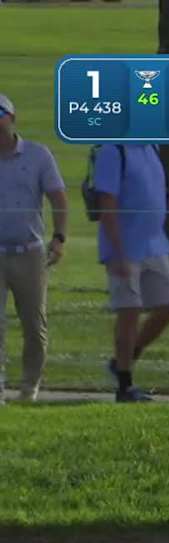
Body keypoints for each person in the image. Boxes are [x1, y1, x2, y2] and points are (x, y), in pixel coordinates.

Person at [94, 143, 169, 402]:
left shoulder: (151, 148)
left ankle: (125, 357)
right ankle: (124, 386)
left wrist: (168, 201)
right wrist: (117, 251)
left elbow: (149, 187)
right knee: (129, 311)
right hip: (123, 247)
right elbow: (107, 202)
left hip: (154, 244)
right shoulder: (113, 151)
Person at [0, 93, 67, 404]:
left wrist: (60, 237)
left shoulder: (38, 155)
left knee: (33, 325)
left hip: (29, 252)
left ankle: (29, 388)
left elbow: (58, 198)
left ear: (12, 119)